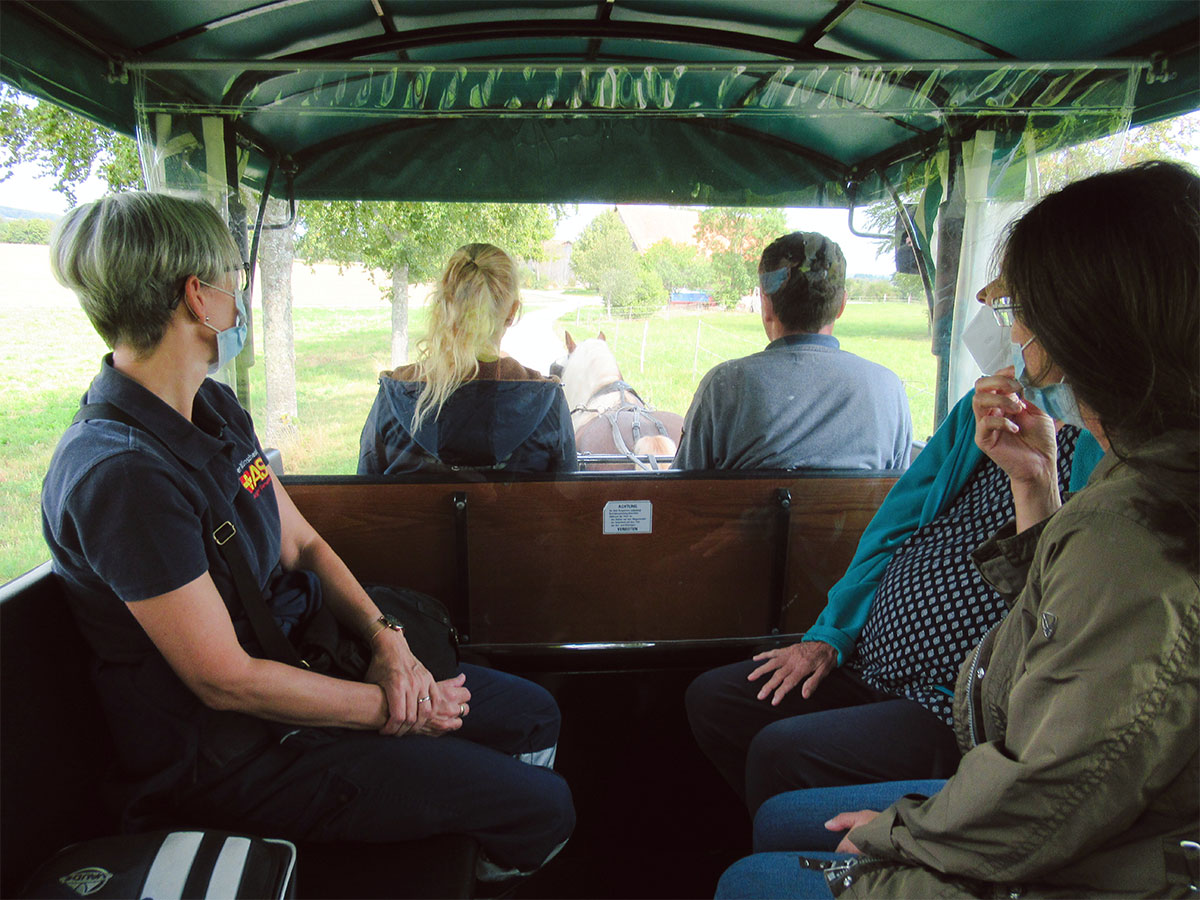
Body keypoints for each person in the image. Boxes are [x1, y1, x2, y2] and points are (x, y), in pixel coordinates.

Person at [40, 193, 574, 881]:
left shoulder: (215, 409)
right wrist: (392, 708)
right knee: (545, 808)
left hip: (307, 665)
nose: (241, 296)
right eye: (234, 277)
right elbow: (224, 681)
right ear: (197, 299)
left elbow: (302, 544)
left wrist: (388, 642)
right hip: (239, 754)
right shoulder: (121, 477)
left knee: (533, 713)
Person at [716, 160, 1199, 898]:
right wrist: (1033, 482)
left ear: (1083, 332)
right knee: (760, 764)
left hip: (1062, 834)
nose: (1015, 339)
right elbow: (907, 526)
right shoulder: (1123, 482)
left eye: (1022, 314)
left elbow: (1053, 789)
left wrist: (895, 837)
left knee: (757, 874)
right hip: (1004, 749)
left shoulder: (1138, 523)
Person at [686, 279, 1104, 816]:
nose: (1010, 333)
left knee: (780, 752)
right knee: (716, 700)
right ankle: (784, 831)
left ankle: (794, 848)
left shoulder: (1105, 456)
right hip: (866, 659)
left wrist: (1034, 481)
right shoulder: (986, 411)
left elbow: (1056, 603)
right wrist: (829, 636)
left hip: (947, 701)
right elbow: (891, 530)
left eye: (1017, 315)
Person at [673, 232, 911, 471]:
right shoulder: (888, 388)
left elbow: (681, 494)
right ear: (841, 306)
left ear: (766, 305)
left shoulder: (723, 387)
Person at [359, 242, 577, 475]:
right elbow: (567, 501)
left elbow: (362, 497)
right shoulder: (546, 401)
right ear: (512, 312)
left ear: (445, 305)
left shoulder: (396, 392)